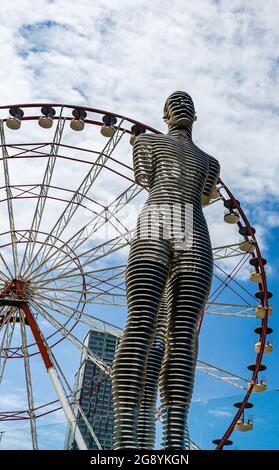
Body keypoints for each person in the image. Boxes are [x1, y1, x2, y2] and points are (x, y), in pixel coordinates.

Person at [111, 91, 220, 449]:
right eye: (176, 104)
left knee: (184, 332)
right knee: (142, 319)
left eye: (188, 104)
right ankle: (124, 439)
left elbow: (147, 177)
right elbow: (151, 180)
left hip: (186, 223)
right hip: (166, 215)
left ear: (195, 115)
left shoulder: (211, 161)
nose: (183, 108)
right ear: (165, 114)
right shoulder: (146, 142)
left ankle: (175, 442)